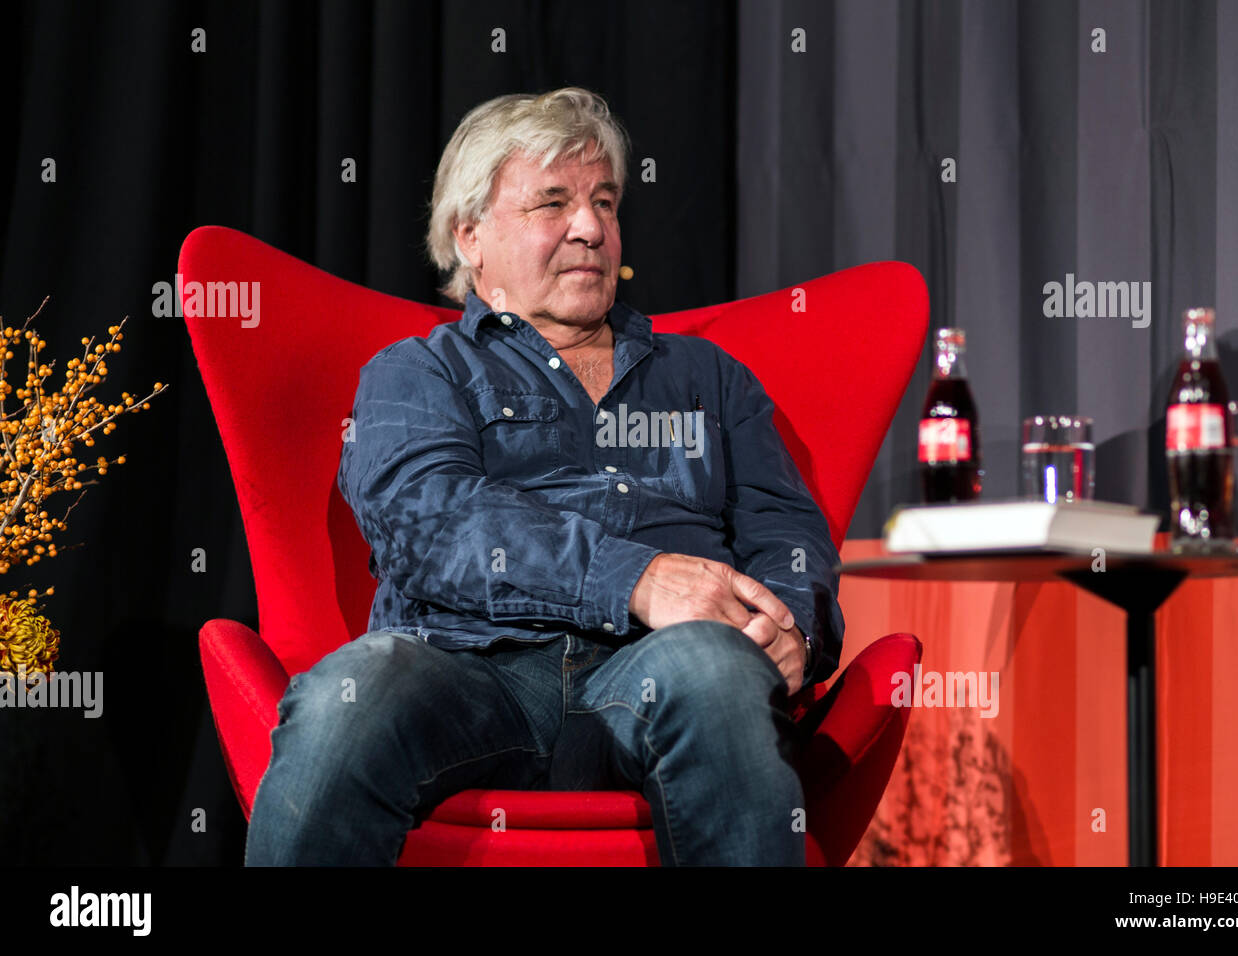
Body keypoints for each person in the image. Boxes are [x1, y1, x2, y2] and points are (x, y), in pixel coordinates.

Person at [244, 86, 844, 866]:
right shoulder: (419, 371)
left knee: (715, 669)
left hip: (661, 663)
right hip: (466, 667)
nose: (591, 228)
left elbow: (786, 532)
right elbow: (427, 522)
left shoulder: (708, 378)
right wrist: (639, 578)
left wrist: (791, 625)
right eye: (552, 203)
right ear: (470, 237)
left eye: (604, 201)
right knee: (348, 695)